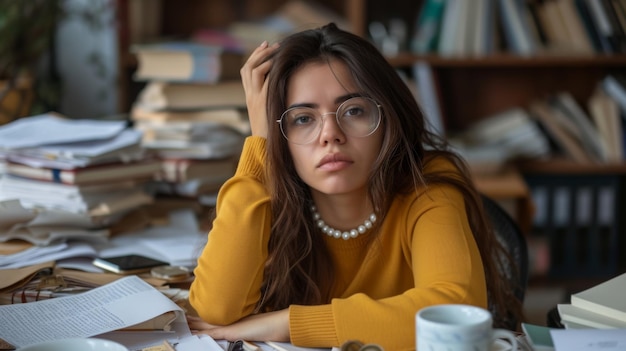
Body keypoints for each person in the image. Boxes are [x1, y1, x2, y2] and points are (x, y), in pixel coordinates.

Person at [187, 22, 524, 350]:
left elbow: (456, 307)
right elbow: (215, 310)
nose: (330, 134)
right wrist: (261, 144)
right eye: (302, 118)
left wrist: (289, 323)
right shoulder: (269, 194)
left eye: (354, 111)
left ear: (386, 119)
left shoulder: (428, 182)